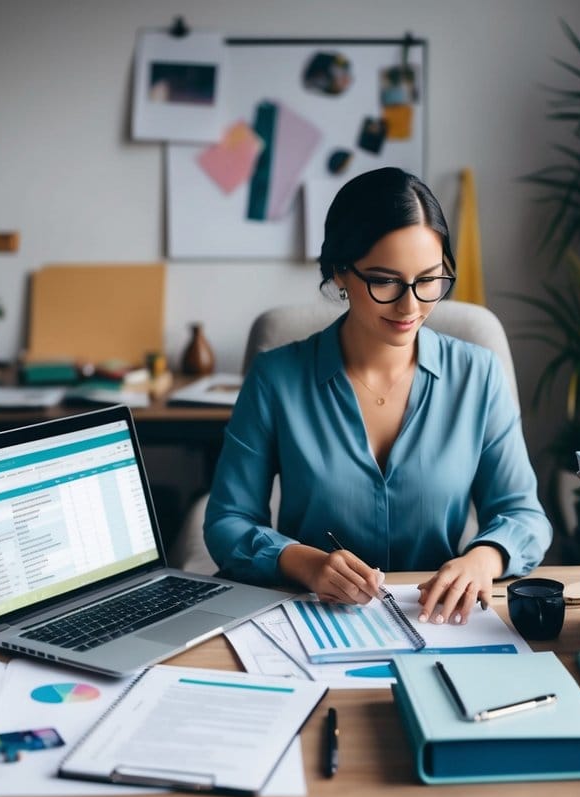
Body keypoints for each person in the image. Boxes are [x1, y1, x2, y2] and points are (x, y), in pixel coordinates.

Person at [204, 167, 551, 626]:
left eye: (429, 279)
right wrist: (303, 562)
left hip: (440, 623)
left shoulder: (478, 375)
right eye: (385, 281)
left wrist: (483, 559)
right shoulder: (276, 378)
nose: (411, 306)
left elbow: (523, 514)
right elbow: (228, 521)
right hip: (312, 620)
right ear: (340, 273)